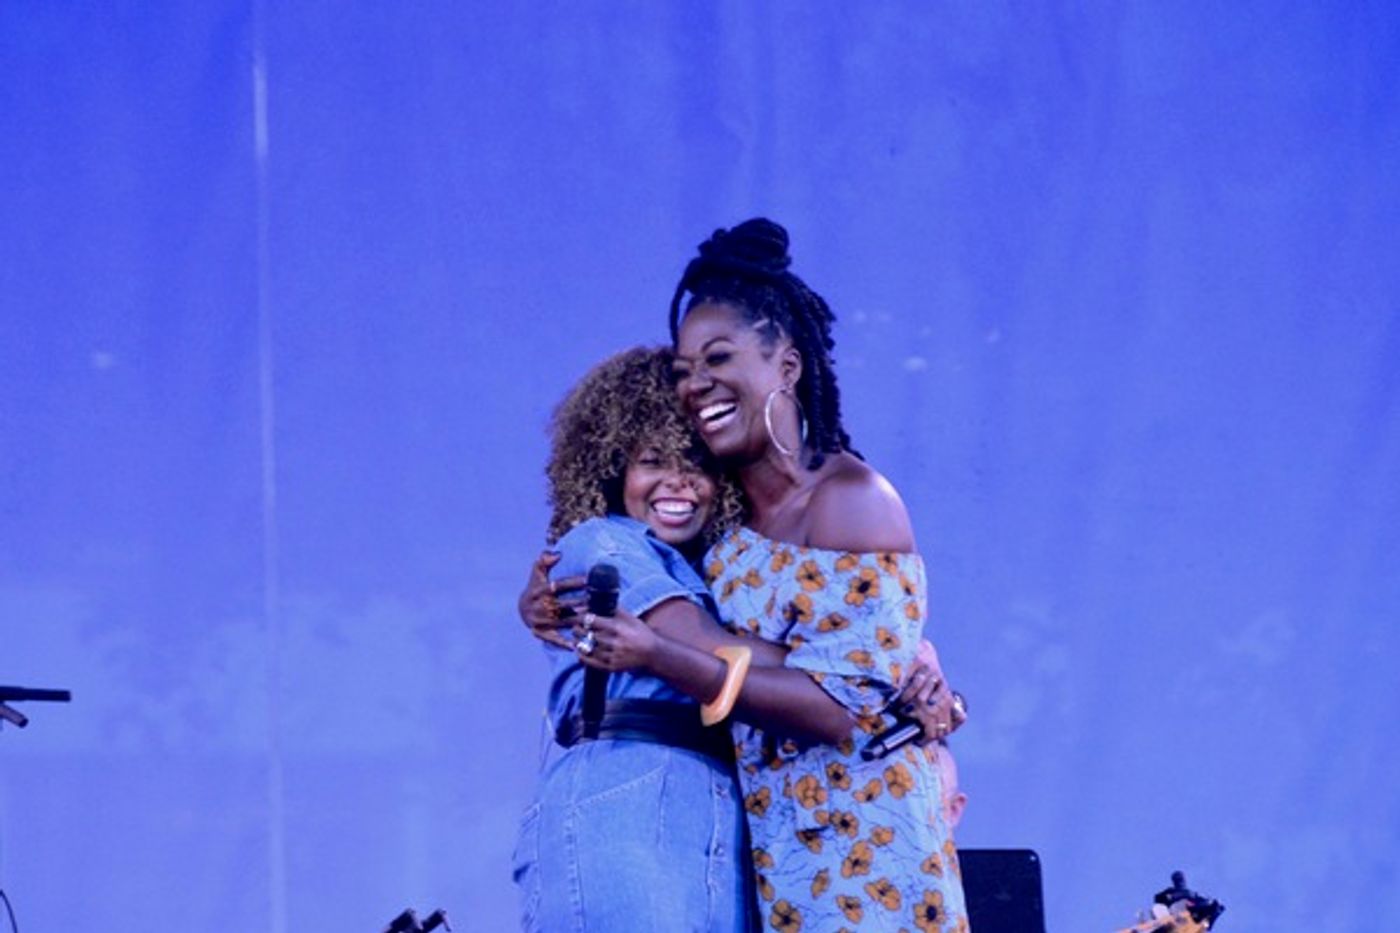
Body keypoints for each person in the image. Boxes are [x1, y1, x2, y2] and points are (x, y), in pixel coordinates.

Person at [555, 219, 970, 931]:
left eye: (719, 357)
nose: (697, 383)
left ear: (787, 364)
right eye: (684, 370)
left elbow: (835, 706)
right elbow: (792, 654)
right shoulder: (729, 522)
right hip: (775, 855)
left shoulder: (851, 501)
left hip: (868, 855)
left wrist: (662, 654)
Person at [510, 346, 757, 932]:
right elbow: (716, 654)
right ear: (612, 469)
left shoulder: (721, 571)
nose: (677, 484)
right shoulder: (602, 543)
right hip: (626, 800)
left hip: (710, 808)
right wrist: (859, 671)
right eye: (652, 461)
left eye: (695, 463)